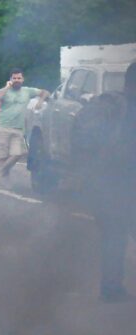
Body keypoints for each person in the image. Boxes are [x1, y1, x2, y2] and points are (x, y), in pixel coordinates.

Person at [75, 62, 136, 303]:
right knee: (115, 237)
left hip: (115, 184)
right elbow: (87, 143)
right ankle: (111, 289)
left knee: (115, 237)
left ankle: (111, 288)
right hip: (113, 185)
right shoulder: (112, 107)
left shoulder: (110, 106)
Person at [0, 68, 48, 188]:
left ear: (23, 79)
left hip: (19, 129)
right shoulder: (5, 91)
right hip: (4, 127)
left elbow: (45, 92)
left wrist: (40, 101)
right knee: (3, 156)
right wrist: (7, 87)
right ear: (10, 79)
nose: (17, 80)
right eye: (14, 78)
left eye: (19, 78)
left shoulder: (27, 91)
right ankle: (4, 181)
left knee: (18, 153)